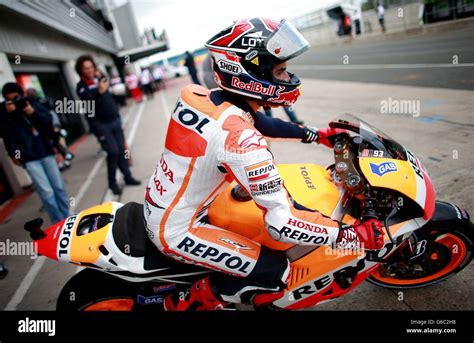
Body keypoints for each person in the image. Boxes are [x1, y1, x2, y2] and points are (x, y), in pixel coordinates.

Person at [144, 18, 385, 311]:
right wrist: (349, 234)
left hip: (170, 200)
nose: (289, 77)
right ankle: (178, 304)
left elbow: (257, 121)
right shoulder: (243, 142)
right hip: (179, 228)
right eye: (280, 71)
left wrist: (318, 135)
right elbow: (281, 224)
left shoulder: (197, 96)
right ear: (249, 74)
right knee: (274, 273)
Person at [0, 82, 70, 223]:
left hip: (45, 150)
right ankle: (57, 221)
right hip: (28, 157)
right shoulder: (4, 111)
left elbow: (48, 121)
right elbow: (5, 134)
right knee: (46, 192)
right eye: (10, 98)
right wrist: (9, 115)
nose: (14, 101)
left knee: (58, 186)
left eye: (16, 97)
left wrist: (31, 111)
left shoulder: (30, 102)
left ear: (21, 95)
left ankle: (67, 216)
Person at [75, 55, 141, 195]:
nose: (89, 70)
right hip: (101, 125)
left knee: (122, 151)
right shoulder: (81, 88)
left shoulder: (100, 79)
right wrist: (99, 92)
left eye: (91, 67)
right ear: (81, 71)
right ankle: (112, 183)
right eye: (86, 68)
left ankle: (128, 177)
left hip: (114, 120)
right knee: (113, 152)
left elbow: (109, 93)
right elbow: (91, 106)